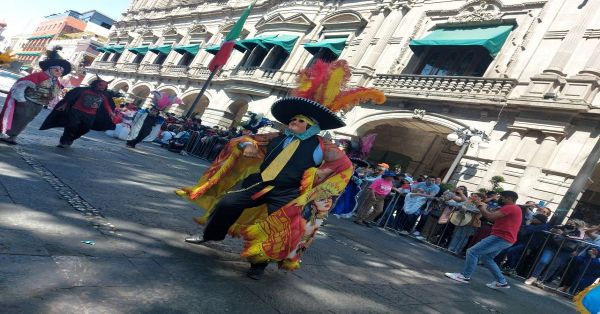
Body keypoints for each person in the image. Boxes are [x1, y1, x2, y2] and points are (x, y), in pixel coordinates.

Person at [176, 59, 385, 279]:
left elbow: (344, 166)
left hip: (289, 192)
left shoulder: (323, 146)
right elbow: (245, 139)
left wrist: (319, 174)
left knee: (278, 227)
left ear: (312, 126)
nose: (294, 122)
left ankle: (258, 265)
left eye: (300, 120)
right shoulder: (277, 136)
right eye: (293, 119)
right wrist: (248, 145)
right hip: (257, 182)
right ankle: (211, 235)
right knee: (227, 204)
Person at [445, 190, 522, 289]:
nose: (500, 199)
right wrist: (482, 206)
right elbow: (491, 213)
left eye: (502, 197)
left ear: (509, 198)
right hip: (505, 238)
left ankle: (465, 276)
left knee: (472, 252)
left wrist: (480, 205)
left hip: (501, 237)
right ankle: (502, 282)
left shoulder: (510, 208)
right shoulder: (512, 208)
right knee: (487, 258)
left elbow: (489, 216)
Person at [0, 47, 71, 145]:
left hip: (39, 105)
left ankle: (13, 136)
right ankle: (5, 134)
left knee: (26, 120)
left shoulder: (56, 82)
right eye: (57, 70)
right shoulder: (38, 76)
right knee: (19, 118)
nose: (59, 72)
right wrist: (21, 100)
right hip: (27, 101)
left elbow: (54, 94)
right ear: (50, 68)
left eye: (61, 72)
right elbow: (21, 85)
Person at [40, 76, 117, 147]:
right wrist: (64, 105)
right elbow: (71, 98)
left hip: (91, 115)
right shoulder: (83, 91)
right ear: (96, 84)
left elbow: (107, 105)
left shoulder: (104, 95)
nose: (102, 87)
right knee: (72, 126)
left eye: (104, 86)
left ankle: (71, 139)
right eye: (100, 85)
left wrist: (111, 113)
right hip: (76, 111)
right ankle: (63, 141)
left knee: (85, 129)